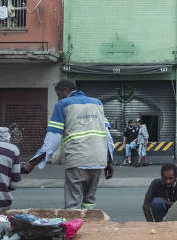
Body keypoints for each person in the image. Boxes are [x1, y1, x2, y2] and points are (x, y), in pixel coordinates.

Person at [22, 79, 114, 210]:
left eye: (59, 95)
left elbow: (52, 141)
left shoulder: (63, 105)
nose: (59, 98)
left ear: (66, 90)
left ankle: (74, 228)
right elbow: (107, 137)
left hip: (77, 159)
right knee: (89, 201)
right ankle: (89, 226)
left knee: (73, 205)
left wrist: (32, 163)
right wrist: (109, 162)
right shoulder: (97, 103)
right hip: (98, 159)